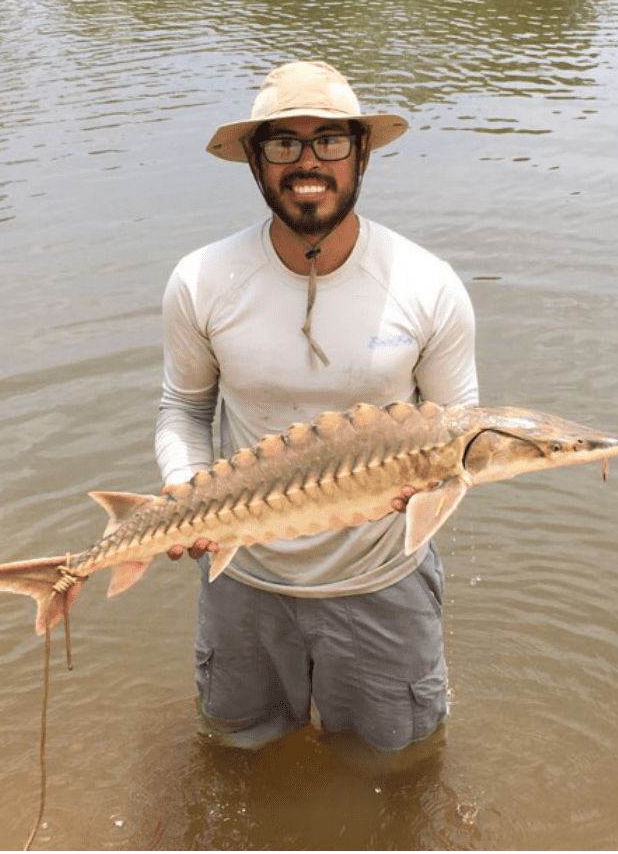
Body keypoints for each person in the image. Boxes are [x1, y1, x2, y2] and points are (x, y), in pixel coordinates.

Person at [154, 60, 479, 757]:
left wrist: (431, 487)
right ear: (253, 160)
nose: (308, 164)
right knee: (234, 756)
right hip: (242, 580)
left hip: (384, 580)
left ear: (362, 154)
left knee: (401, 769)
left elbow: (463, 434)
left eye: (330, 141)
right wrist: (185, 492)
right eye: (283, 144)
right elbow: (183, 408)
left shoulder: (428, 284)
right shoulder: (201, 280)